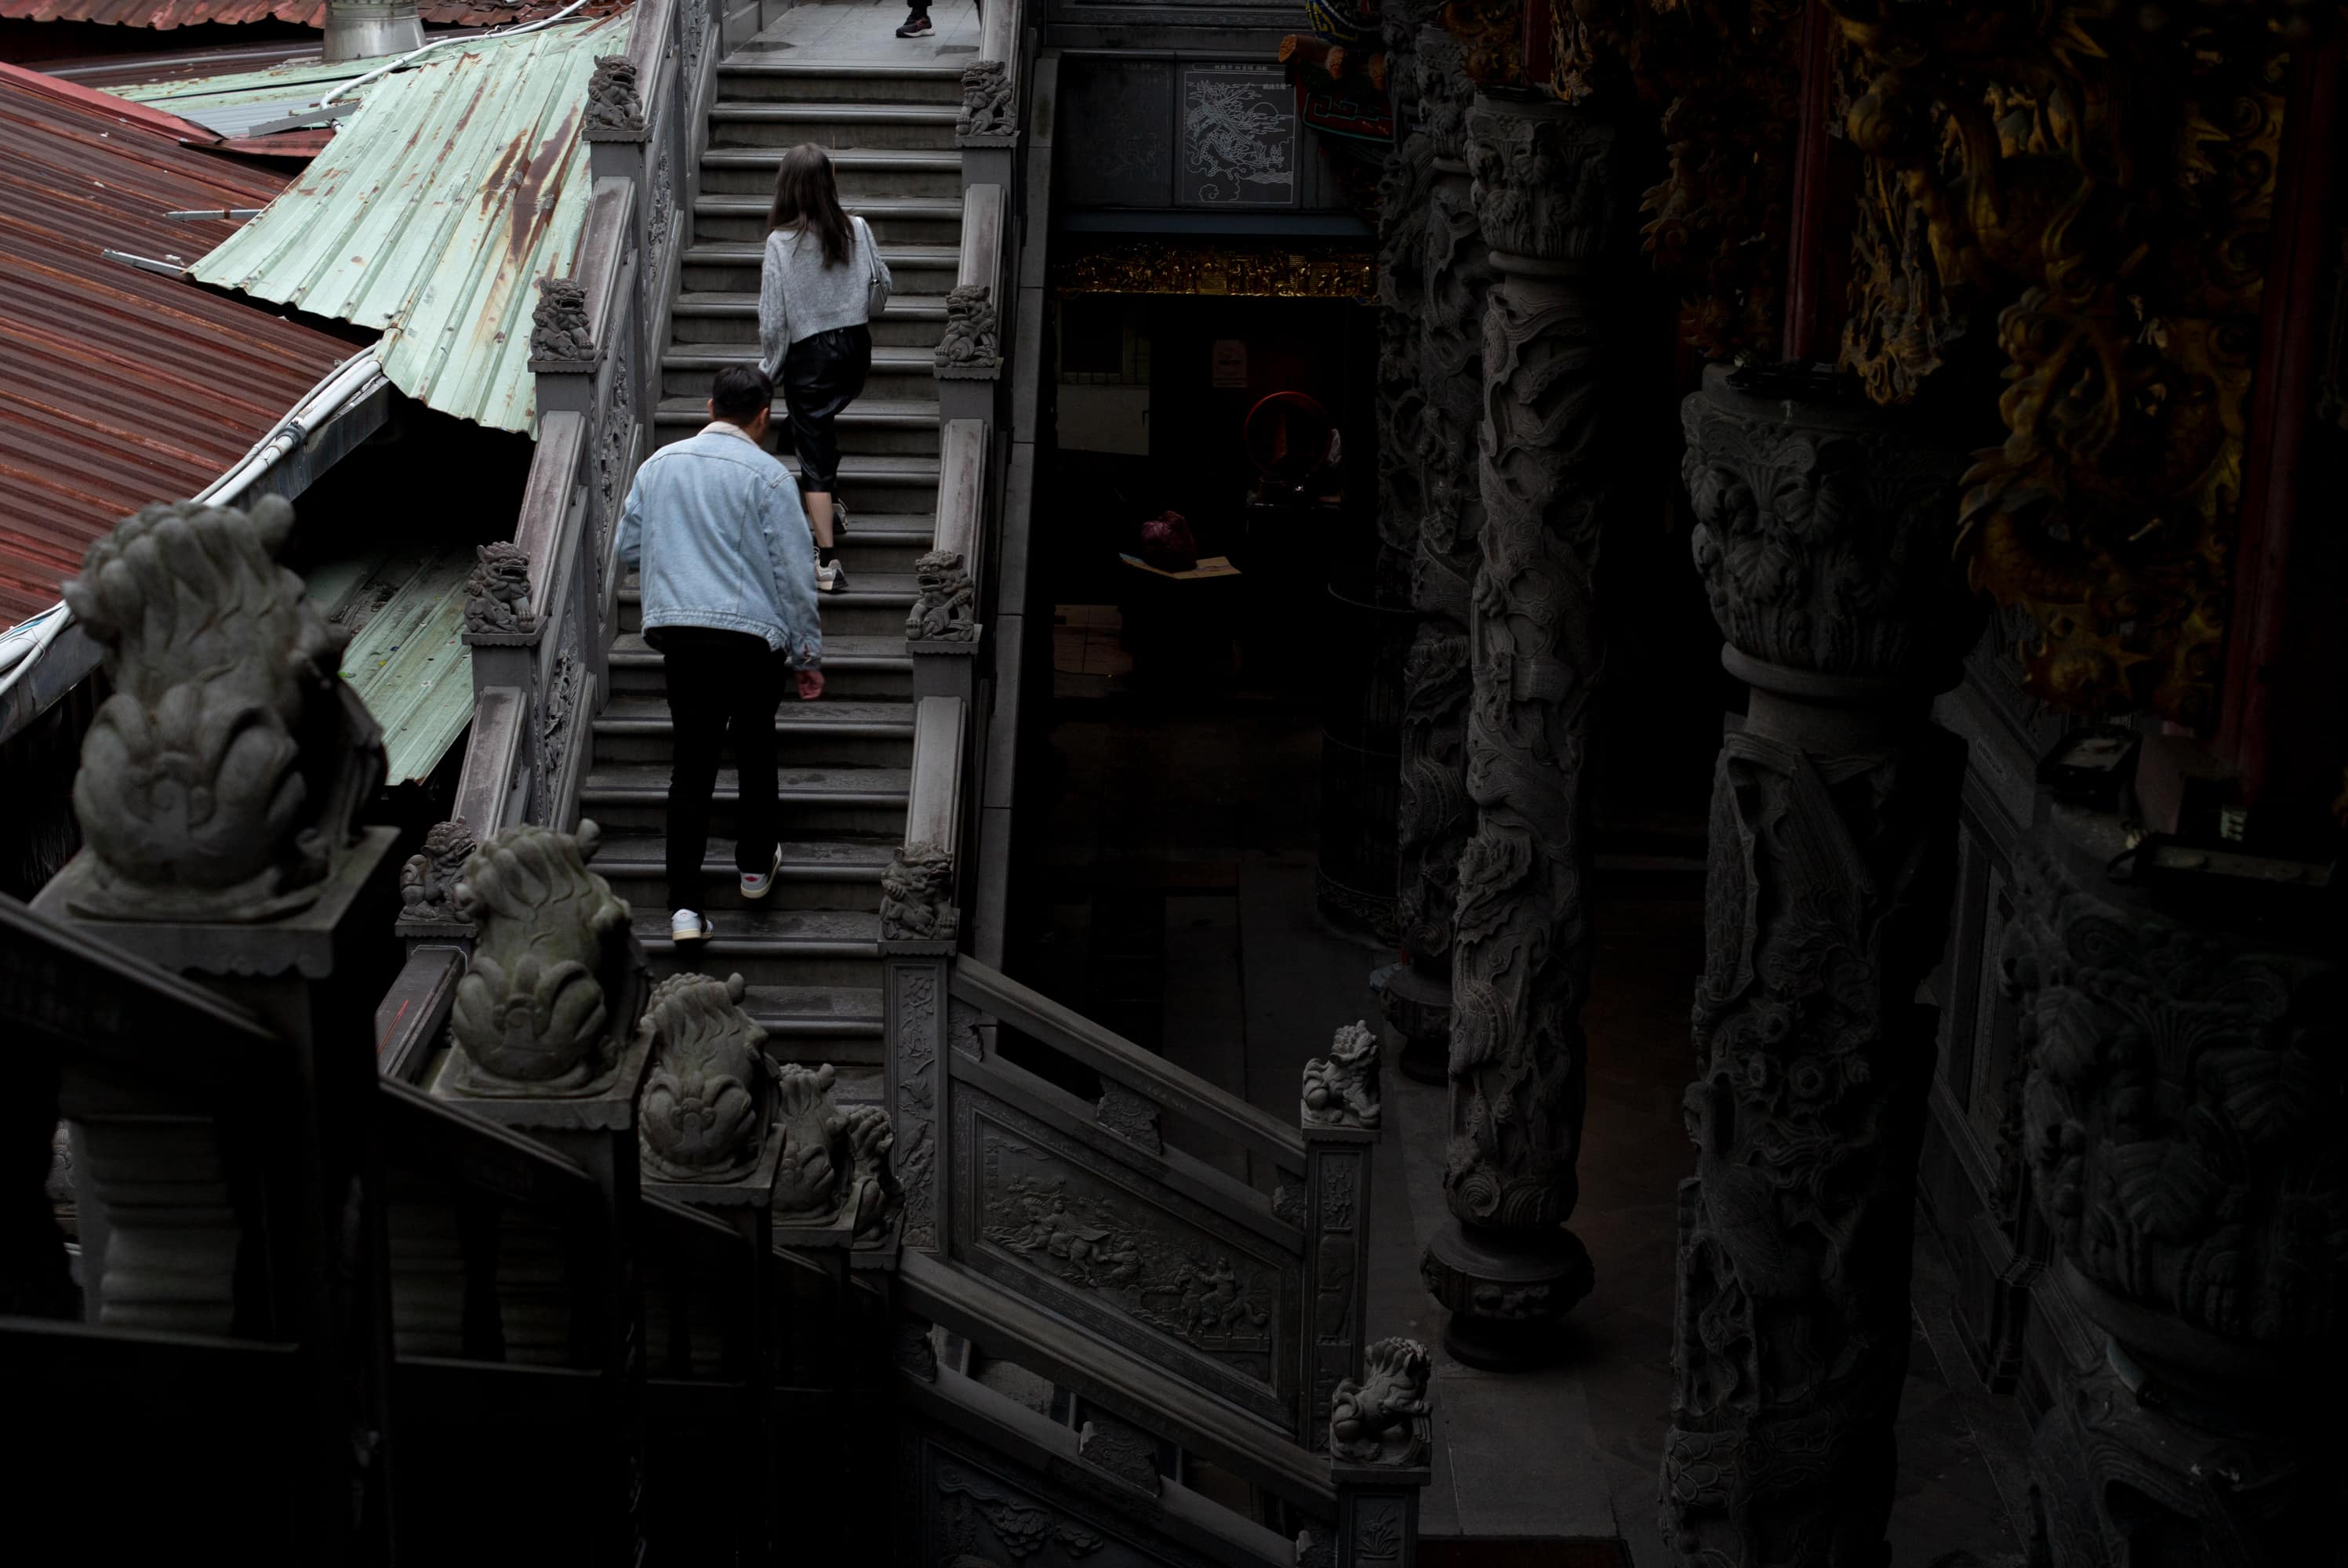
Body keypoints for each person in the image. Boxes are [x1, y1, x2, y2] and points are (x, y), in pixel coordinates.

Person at [617, 365, 825, 948]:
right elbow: (792, 573)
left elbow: (628, 547)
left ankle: (685, 908)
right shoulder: (769, 477)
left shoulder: (658, 466)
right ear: (764, 415)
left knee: (692, 766)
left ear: (710, 407)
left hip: (680, 634)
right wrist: (807, 654)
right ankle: (755, 868)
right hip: (750, 638)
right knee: (755, 748)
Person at [758, 143, 891, 593]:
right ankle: (831, 503)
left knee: (810, 455)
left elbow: (774, 318)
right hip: (855, 348)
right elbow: (882, 287)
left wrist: (769, 371)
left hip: (809, 355)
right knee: (811, 428)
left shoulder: (781, 242)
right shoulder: (857, 227)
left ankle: (827, 561)